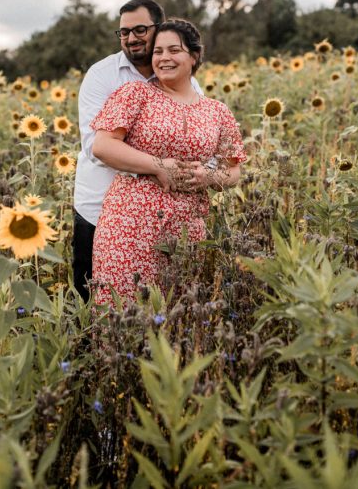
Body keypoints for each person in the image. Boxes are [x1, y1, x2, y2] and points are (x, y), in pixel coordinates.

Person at [89, 18, 246, 305]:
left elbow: (234, 170)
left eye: (174, 50)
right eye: (158, 51)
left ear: (194, 55)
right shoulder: (136, 94)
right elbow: (103, 146)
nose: (164, 58)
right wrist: (159, 166)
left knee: (178, 315)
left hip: (187, 228)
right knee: (125, 314)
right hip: (130, 225)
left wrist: (208, 177)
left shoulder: (217, 112)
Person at [72, 0, 202, 301]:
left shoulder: (184, 82)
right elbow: (96, 147)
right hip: (99, 206)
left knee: (159, 297)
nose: (131, 38)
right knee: (92, 297)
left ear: (160, 27)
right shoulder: (103, 76)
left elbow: (198, 143)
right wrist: (159, 163)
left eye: (140, 29)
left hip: (163, 213)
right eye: (124, 32)